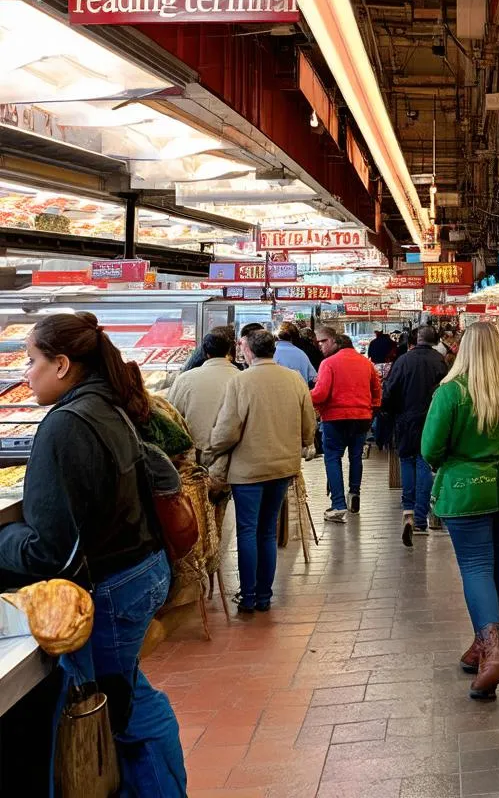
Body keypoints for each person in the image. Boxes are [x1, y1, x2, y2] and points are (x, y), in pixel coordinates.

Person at [0, 313, 187, 794]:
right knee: (126, 692)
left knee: (127, 708)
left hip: (112, 585)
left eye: (33, 360)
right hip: (140, 569)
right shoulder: (108, 405)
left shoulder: (65, 425)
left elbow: (49, 550)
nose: (27, 372)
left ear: (62, 364)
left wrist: (2, 539)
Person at [421, 322, 499, 701]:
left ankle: (493, 655)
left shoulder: (451, 393)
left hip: (464, 490)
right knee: (498, 564)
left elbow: (430, 450)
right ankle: (483, 645)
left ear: (464, 350)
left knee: (475, 568)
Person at [209, 330, 315, 612]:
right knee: (267, 531)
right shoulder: (294, 379)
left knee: (247, 530)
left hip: (248, 470)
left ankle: (249, 595)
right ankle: (265, 597)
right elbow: (308, 423)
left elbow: (227, 430)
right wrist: (303, 444)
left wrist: (212, 449)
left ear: (249, 351)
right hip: (282, 466)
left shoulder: (241, 382)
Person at [381, 325, 448, 545]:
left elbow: (389, 393)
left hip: (406, 420)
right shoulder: (440, 362)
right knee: (424, 464)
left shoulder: (403, 361)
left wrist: (392, 413)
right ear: (435, 340)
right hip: (431, 420)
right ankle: (421, 519)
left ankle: (407, 512)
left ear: (415, 340)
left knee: (407, 462)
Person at [310, 334, 381, 521]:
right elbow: (376, 389)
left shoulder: (329, 363)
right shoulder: (366, 363)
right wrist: (372, 407)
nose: (322, 346)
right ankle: (354, 492)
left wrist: (305, 395)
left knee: (333, 458)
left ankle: (338, 504)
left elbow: (320, 394)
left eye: (325, 342)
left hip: (335, 418)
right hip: (362, 417)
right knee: (356, 456)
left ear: (335, 344)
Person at [167, 331, 241, 467]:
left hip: (195, 457)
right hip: (233, 459)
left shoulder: (185, 378)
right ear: (229, 351)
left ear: (206, 353)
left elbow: (172, 416)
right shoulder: (242, 378)